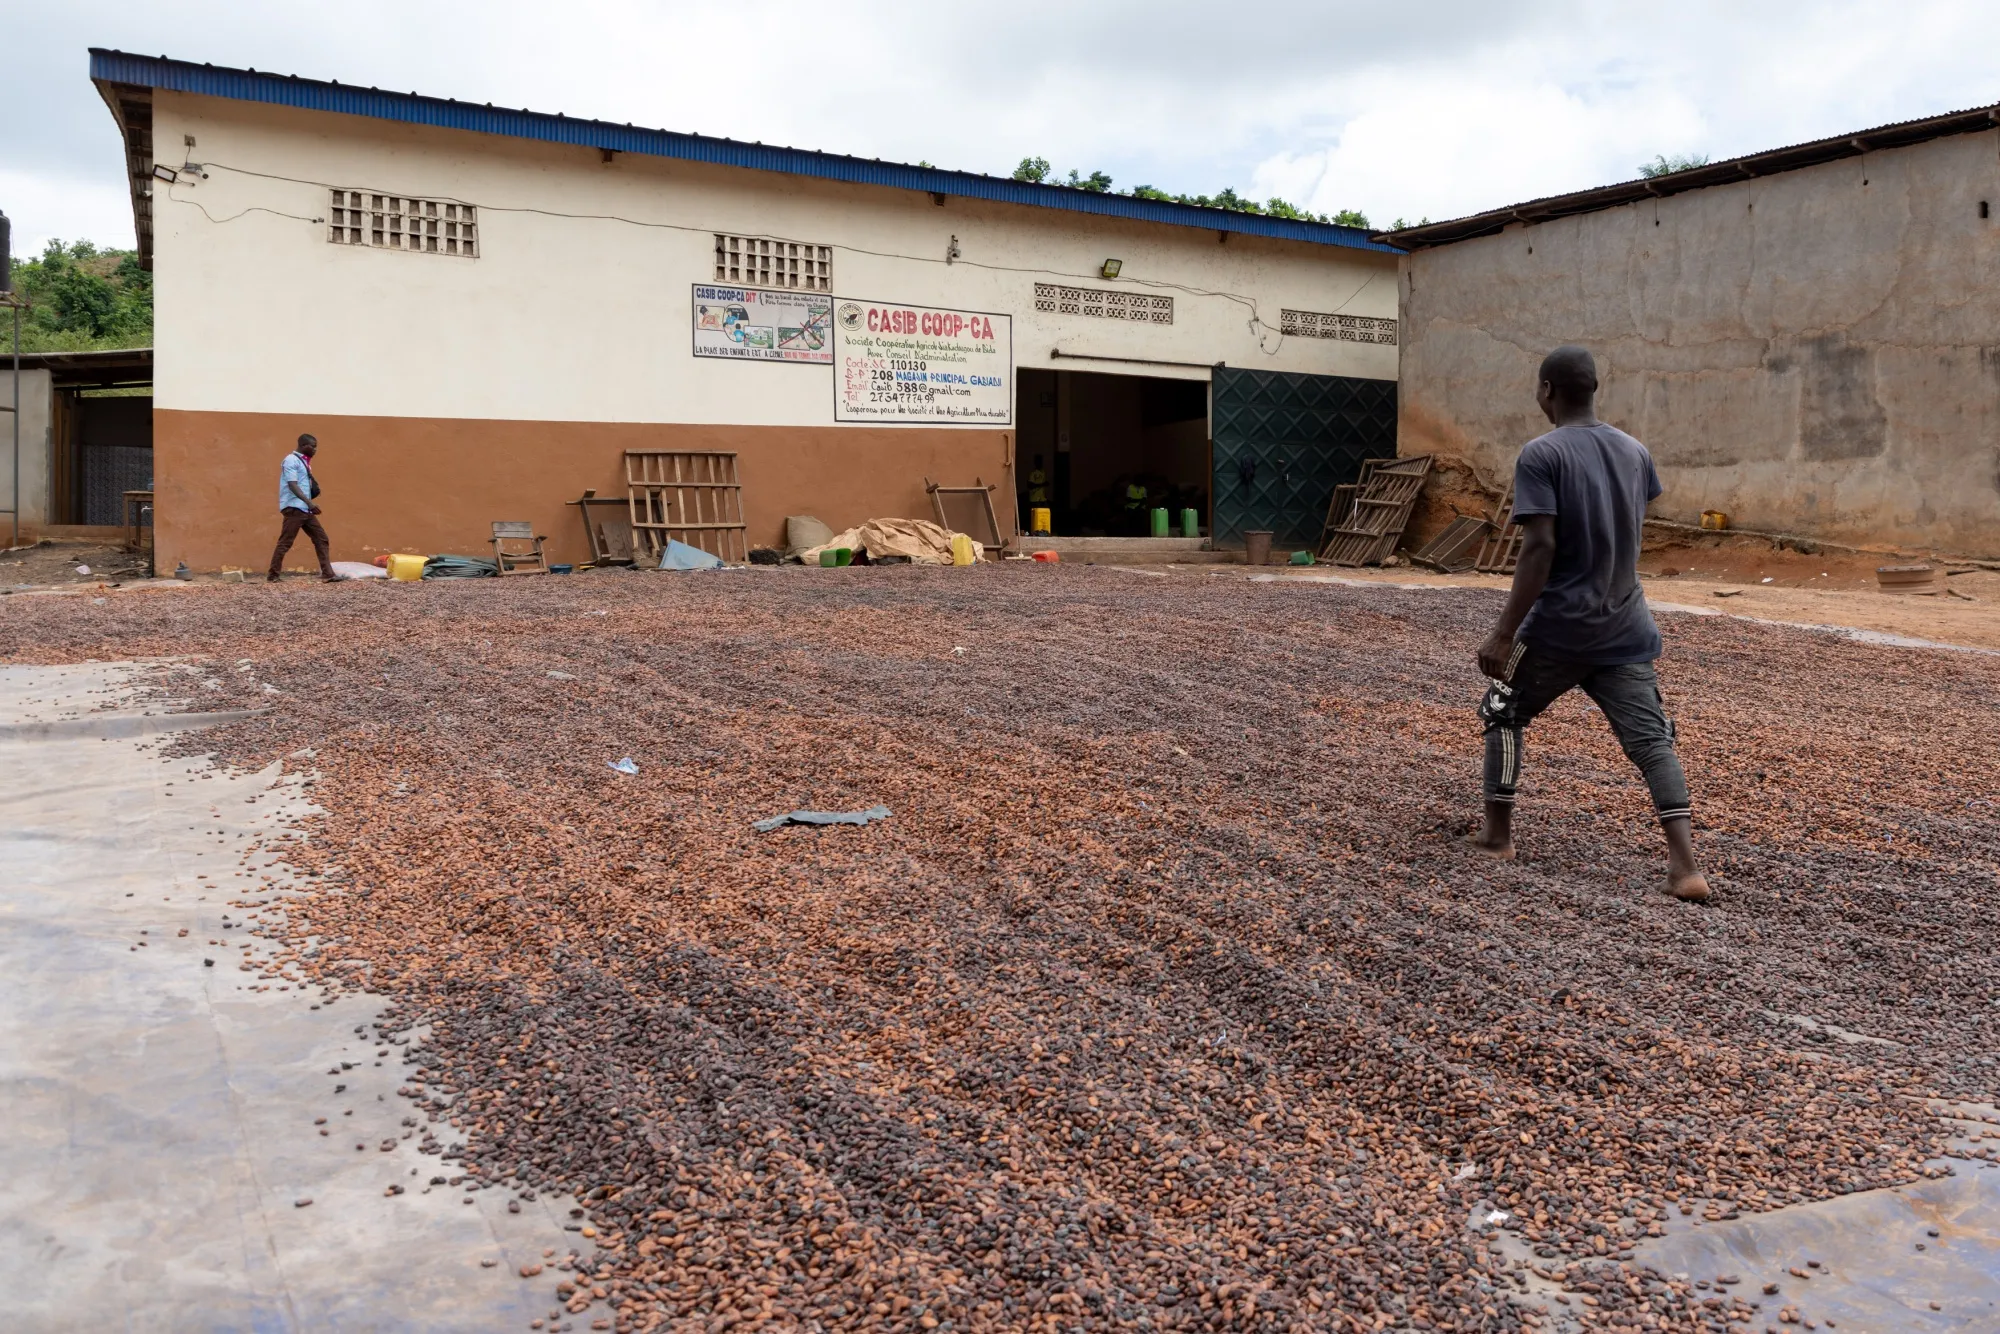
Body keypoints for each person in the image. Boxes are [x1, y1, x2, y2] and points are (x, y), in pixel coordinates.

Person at [1469, 346, 1710, 902]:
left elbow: (1540, 547)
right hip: (1626, 627)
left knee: (1503, 710)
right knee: (1652, 742)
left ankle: (1497, 837)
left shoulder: (1541, 454)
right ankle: (1685, 868)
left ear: (1547, 390)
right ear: (1594, 388)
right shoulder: (1635, 452)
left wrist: (1504, 632)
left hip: (1557, 629)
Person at [268, 432, 338, 583]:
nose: (315, 450)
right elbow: (292, 485)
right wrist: (310, 503)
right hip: (294, 508)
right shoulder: (291, 460)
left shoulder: (304, 462)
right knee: (286, 542)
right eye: (313, 446)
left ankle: (328, 573)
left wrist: (308, 504)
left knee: (321, 538)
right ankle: (273, 575)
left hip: (304, 508)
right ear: (303, 445)